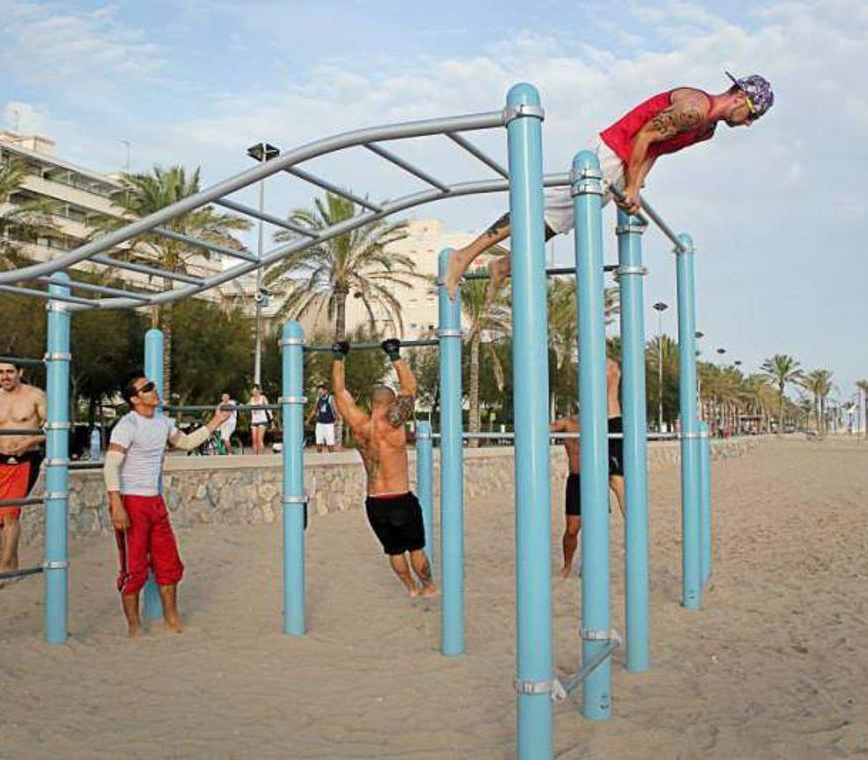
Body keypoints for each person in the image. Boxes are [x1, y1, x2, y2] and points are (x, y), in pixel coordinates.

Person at [443, 72, 775, 298]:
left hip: (627, 163)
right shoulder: (693, 110)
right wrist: (629, 184)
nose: (748, 123)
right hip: (612, 152)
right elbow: (644, 134)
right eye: (752, 115)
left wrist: (636, 185)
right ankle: (465, 255)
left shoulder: (706, 130)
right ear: (740, 98)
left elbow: (656, 148)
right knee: (546, 209)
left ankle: (505, 262)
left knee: (559, 219)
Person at [104, 372, 232, 636]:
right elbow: (110, 466)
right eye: (147, 388)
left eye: (152, 386)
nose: (154, 390)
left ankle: (172, 621)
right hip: (131, 501)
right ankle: (134, 628)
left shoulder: (162, 423)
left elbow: (185, 443)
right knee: (134, 569)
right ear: (134, 398)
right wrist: (116, 504)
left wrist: (216, 421)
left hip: (154, 502)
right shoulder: (127, 425)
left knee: (169, 564)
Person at [331, 339, 436, 598]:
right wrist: (394, 355)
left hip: (374, 502)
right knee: (416, 549)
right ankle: (429, 587)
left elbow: (340, 394)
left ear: (370, 404)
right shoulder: (393, 423)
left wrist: (338, 357)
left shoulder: (359, 424)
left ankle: (411, 588)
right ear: (391, 403)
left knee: (394, 551)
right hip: (400, 498)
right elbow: (411, 389)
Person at [0, 361, 47, 587]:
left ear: (20, 373)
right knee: (2, 515)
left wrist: (30, 441)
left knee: (10, 514)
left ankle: (3, 569)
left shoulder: (35, 396)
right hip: (2, 459)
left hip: (26, 458)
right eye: (1, 372)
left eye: (10, 372)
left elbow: (54, 427)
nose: (5, 376)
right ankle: (12, 564)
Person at [552, 357, 626, 579]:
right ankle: (567, 565)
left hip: (596, 479)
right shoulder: (568, 423)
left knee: (597, 522)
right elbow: (542, 429)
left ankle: (593, 563)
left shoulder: (603, 422)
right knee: (572, 529)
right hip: (575, 481)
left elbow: (612, 375)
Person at [308, 383, 338, 453]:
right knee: (318, 441)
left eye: (321, 392)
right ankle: (319, 457)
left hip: (329, 423)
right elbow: (314, 410)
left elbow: (335, 410)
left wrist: (337, 419)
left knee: (330, 442)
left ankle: (331, 458)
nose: (320, 393)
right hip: (320, 423)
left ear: (325, 391)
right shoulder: (318, 399)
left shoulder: (330, 398)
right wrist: (308, 419)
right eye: (319, 392)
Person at [249, 385, 271, 454]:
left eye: (256, 391)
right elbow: (247, 405)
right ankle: (255, 457)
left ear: (259, 391)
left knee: (259, 439)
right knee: (254, 440)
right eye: (253, 391)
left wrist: (271, 420)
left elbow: (269, 409)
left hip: (262, 420)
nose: (254, 392)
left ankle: (261, 456)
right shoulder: (251, 399)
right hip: (254, 421)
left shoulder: (263, 398)